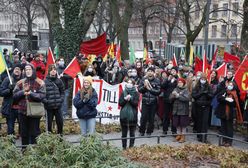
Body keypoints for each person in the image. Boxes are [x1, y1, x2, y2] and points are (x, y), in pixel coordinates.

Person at [13, 64, 46, 147]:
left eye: (29, 69)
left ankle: (34, 154)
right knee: (24, 134)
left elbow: (42, 96)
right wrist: (22, 92)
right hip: (22, 112)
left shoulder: (40, 82)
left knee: (34, 134)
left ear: (33, 70)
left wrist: (31, 93)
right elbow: (14, 96)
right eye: (26, 69)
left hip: (35, 112)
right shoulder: (20, 82)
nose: (28, 71)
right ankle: (24, 152)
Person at [215, 81, 243, 147]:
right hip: (223, 112)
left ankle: (229, 141)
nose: (229, 86)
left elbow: (234, 104)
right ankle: (224, 140)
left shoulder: (235, 94)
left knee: (229, 128)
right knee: (223, 127)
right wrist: (226, 99)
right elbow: (218, 98)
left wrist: (225, 100)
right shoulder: (224, 91)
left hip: (230, 113)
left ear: (234, 86)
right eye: (229, 85)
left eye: (231, 85)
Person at [0, 64, 22, 135]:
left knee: (22, 129)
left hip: (21, 109)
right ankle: (10, 145)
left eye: (19, 69)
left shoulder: (23, 80)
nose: (17, 70)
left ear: (21, 71)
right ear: (13, 70)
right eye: (16, 69)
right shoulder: (7, 79)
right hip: (10, 109)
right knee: (10, 129)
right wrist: (9, 89)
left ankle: (22, 145)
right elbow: (1, 92)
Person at [138, 67, 160, 136]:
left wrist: (149, 89)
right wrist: (144, 87)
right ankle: (142, 131)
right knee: (143, 117)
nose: (150, 72)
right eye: (149, 71)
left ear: (154, 73)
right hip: (145, 101)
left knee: (151, 118)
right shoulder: (143, 79)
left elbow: (158, 92)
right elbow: (139, 90)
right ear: (147, 72)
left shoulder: (157, 80)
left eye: (151, 71)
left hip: (153, 102)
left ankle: (149, 131)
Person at [43, 65, 64, 135]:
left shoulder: (59, 81)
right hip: (49, 107)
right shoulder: (45, 81)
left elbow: (62, 92)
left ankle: (60, 138)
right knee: (49, 125)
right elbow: (42, 94)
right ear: (49, 71)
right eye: (51, 69)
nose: (53, 71)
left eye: (54, 69)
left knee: (60, 123)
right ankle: (49, 139)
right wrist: (46, 101)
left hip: (58, 106)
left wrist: (61, 100)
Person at [192, 73, 213, 143]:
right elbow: (194, 95)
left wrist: (206, 94)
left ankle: (204, 137)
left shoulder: (209, 86)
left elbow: (211, 95)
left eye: (204, 79)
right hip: (198, 105)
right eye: (202, 79)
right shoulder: (197, 86)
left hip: (206, 106)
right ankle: (199, 135)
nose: (203, 80)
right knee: (199, 121)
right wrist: (201, 93)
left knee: (204, 122)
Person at [119, 78, 139, 149]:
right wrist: (125, 99)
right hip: (123, 116)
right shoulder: (123, 92)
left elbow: (136, 104)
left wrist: (130, 99)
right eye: (128, 82)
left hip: (133, 115)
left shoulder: (136, 93)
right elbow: (120, 103)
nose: (129, 84)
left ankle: (131, 147)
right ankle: (124, 147)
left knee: (132, 133)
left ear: (133, 84)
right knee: (124, 133)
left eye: (131, 83)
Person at [169, 78, 190, 143]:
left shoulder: (186, 90)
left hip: (183, 110)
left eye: (181, 82)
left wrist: (178, 96)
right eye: (178, 82)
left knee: (183, 124)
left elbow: (187, 99)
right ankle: (178, 135)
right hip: (176, 109)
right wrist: (172, 95)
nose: (179, 83)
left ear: (183, 83)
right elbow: (170, 98)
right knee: (176, 123)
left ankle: (183, 136)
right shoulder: (175, 89)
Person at [161, 67, 178, 135]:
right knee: (166, 115)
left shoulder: (178, 79)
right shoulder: (167, 78)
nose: (173, 72)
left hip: (174, 100)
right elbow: (162, 86)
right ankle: (165, 130)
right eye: (172, 71)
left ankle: (174, 130)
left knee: (174, 115)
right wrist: (167, 80)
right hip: (167, 99)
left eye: (174, 71)